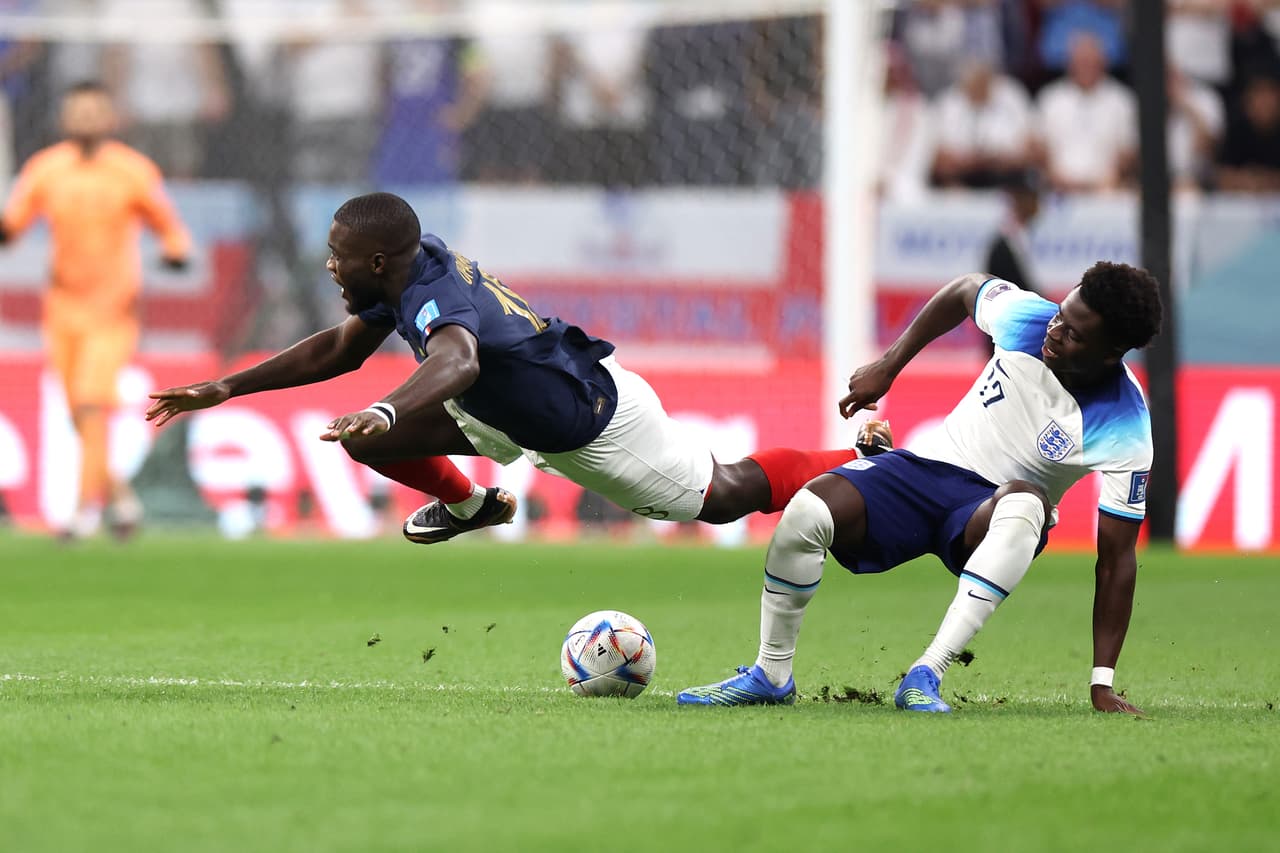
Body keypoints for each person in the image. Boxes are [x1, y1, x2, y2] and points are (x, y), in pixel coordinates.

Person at [146, 192, 892, 543]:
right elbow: (338, 348)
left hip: (587, 421)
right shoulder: (405, 268)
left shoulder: (430, 290)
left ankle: (861, 458)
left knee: (725, 494)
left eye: (337, 259)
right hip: (502, 411)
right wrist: (226, 385)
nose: (330, 269)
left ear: (373, 260)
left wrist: (386, 406)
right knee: (369, 441)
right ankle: (476, 507)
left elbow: (460, 357)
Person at [678, 261, 1162, 716]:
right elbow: (963, 290)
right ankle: (771, 675)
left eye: (1074, 335)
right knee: (808, 510)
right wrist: (888, 366)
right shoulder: (1027, 320)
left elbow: (1117, 559)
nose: (1054, 333)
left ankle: (926, 673)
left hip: (986, 516)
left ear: (1110, 354)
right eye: (1061, 316)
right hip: (925, 473)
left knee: (1026, 501)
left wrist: (1102, 681)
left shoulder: (1125, 425)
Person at [0, 80, 191, 540]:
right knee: (81, 414)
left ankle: (84, 511)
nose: (85, 120)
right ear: (65, 118)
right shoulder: (46, 169)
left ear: (111, 118)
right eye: (77, 111)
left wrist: (174, 251)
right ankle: (124, 502)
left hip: (113, 310)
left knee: (88, 402)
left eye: (94, 111)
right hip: (62, 309)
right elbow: (13, 227)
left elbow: (168, 225)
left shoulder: (131, 171)